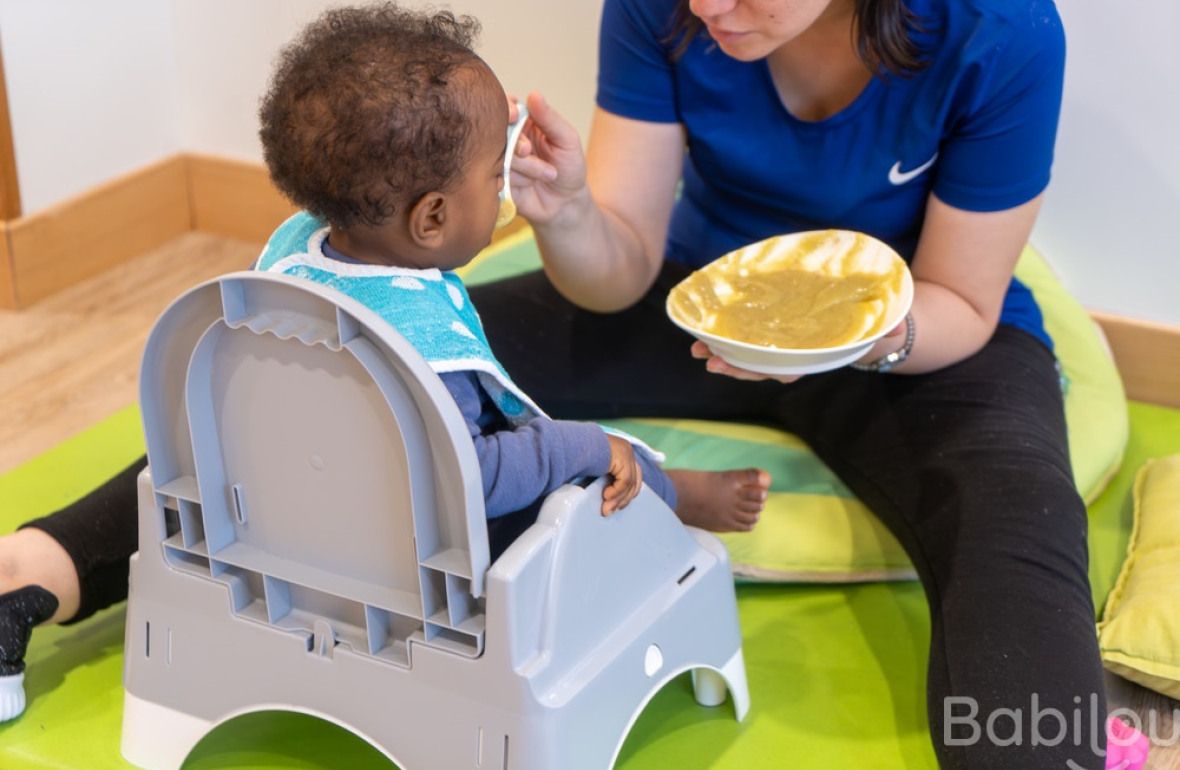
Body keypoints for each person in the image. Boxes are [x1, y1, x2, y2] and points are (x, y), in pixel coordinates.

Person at [0, 3, 772, 723]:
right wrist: (586, 446)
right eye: (494, 177)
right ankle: (678, 496)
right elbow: (476, 477)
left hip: (281, 529)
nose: (502, 184)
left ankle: (20, 587)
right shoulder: (423, 351)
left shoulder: (301, 248)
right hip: (410, 565)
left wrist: (457, 141)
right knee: (596, 468)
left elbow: (381, 141)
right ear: (432, 215)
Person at [464, 0, 1108, 767]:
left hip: (912, 327)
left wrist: (847, 334)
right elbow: (622, 270)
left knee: (1014, 526)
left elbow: (964, 302)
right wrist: (569, 214)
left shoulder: (1002, 29)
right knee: (417, 361)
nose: (707, 7)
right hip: (703, 301)